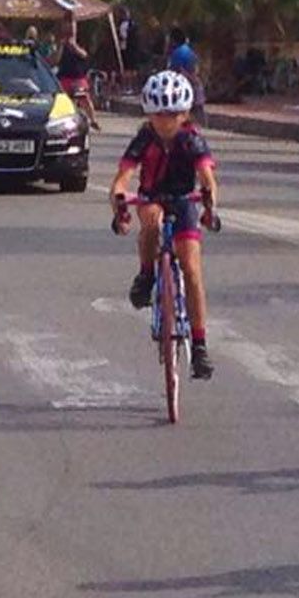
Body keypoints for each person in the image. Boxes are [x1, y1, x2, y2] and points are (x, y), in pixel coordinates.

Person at [111, 70, 220, 380]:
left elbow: (207, 177)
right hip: (152, 197)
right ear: (150, 114)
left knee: (192, 268)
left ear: (185, 113)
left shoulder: (192, 139)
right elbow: (123, 177)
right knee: (152, 221)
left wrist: (210, 204)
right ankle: (146, 276)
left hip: (184, 198)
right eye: (159, 114)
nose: (166, 122)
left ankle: (199, 346)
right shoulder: (144, 138)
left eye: (173, 114)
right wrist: (119, 201)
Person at [56, 18, 100, 131]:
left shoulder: (80, 41)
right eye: (68, 26)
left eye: (72, 27)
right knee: (64, 100)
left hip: (78, 76)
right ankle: (65, 120)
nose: (70, 29)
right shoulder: (61, 42)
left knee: (84, 98)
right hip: (64, 76)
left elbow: (84, 55)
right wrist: (61, 46)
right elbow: (56, 59)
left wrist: (74, 47)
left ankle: (93, 120)